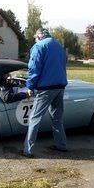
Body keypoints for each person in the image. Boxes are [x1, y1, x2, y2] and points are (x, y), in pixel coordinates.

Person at [21, 28, 68, 158]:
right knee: (57, 118)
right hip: (60, 86)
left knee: (35, 118)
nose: (35, 40)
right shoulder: (59, 46)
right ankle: (61, 145)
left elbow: (34, 68)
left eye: (35, 38)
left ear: (38, 36)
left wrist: (30, 86)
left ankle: (28, 150)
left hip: (46, 88)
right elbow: (64, 64)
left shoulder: (39, 46)